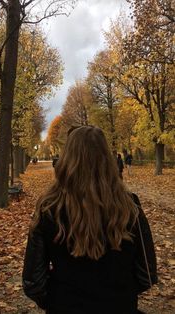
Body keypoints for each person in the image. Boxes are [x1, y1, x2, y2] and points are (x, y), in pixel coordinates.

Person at [22, 126, 157, 314]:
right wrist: (117, 296)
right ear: (107, 160)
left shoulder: (49, 208)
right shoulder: (129, 206)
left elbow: (33, 282)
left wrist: (58, 301)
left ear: (67, 159)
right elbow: (147, 275)